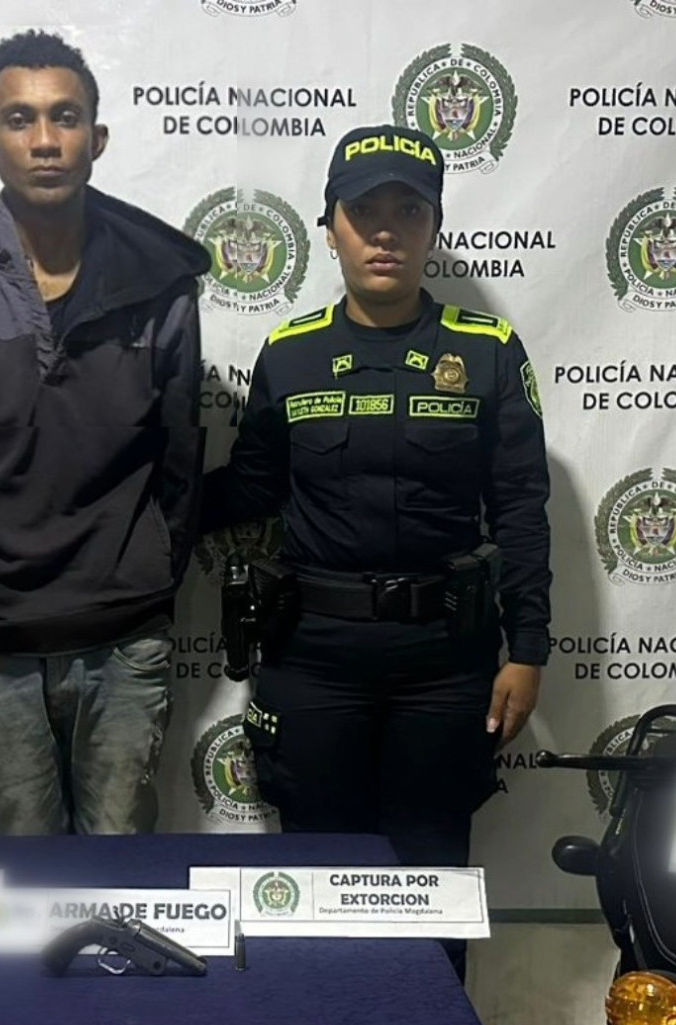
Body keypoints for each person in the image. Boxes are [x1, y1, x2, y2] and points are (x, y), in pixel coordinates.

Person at [210, 125, 550, 980]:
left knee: (431, 884)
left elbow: (521, 508)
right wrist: (115, 483)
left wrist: (529, 649)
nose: (386, 230)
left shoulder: (487, 350)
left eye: (409, 209)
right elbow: (247, 490)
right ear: (330, 228)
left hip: (444, 663)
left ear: (435, 227)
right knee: (315, 880)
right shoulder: (291, 352)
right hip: (314, 659)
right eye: (364, 212)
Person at [0, 30, 210, 836]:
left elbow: (180, 457)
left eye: (64, 117)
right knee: (21, 878)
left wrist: (151, 576)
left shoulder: (162, 284)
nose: (43, 140)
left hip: (126, 634)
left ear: (95, 139)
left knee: (119, 871)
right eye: (20, 119)